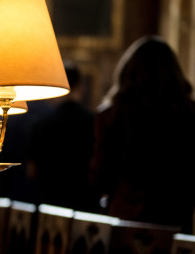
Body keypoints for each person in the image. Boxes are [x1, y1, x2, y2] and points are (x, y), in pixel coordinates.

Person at [90, 35, 195, 232]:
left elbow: (100, 174)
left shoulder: (111, 115)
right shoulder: (189, 114)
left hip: (124, 220)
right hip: (175, 219)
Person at [24, 61, 100, 212]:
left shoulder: (41, 124)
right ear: (81, 87)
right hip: (86, 208)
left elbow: (31, 172)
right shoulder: (95, 123)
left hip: (51, 207)